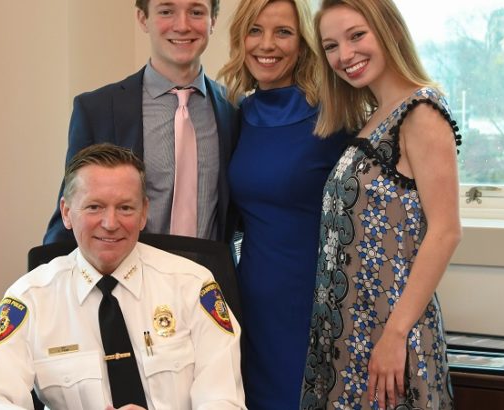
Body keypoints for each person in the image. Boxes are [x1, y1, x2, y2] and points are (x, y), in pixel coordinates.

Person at [0, 143, 246, 410]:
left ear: (144, 213)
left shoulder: (193, 287)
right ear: (66, 212)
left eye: (125, 207)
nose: (110, 224)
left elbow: (223, 401)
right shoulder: (31, 299)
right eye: (94, 207)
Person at [300, 1, 462, 409]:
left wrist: (394, 335)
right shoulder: (374, 117)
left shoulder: (421, 112)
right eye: (332, 46)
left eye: (357, 36)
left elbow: (445, 231)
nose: (345, 55)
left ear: (387, 30)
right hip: (345, 337)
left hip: (390, 336)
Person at [217, 0, 349, 408]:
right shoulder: (238, 112)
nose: (266, 44)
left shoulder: (334, 115)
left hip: (315, 302)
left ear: (304, 43)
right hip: (251, 299)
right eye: (255, 30)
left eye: (283, 32)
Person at [42, 0, 239, 245]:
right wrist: (49, 278)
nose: (182, 25)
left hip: (211, 278)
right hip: (126, 277)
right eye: (166, 11)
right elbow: (73, 211)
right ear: (142, 18)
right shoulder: (97, 110)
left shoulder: (235, 110)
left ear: (213, 20)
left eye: (196, 12)